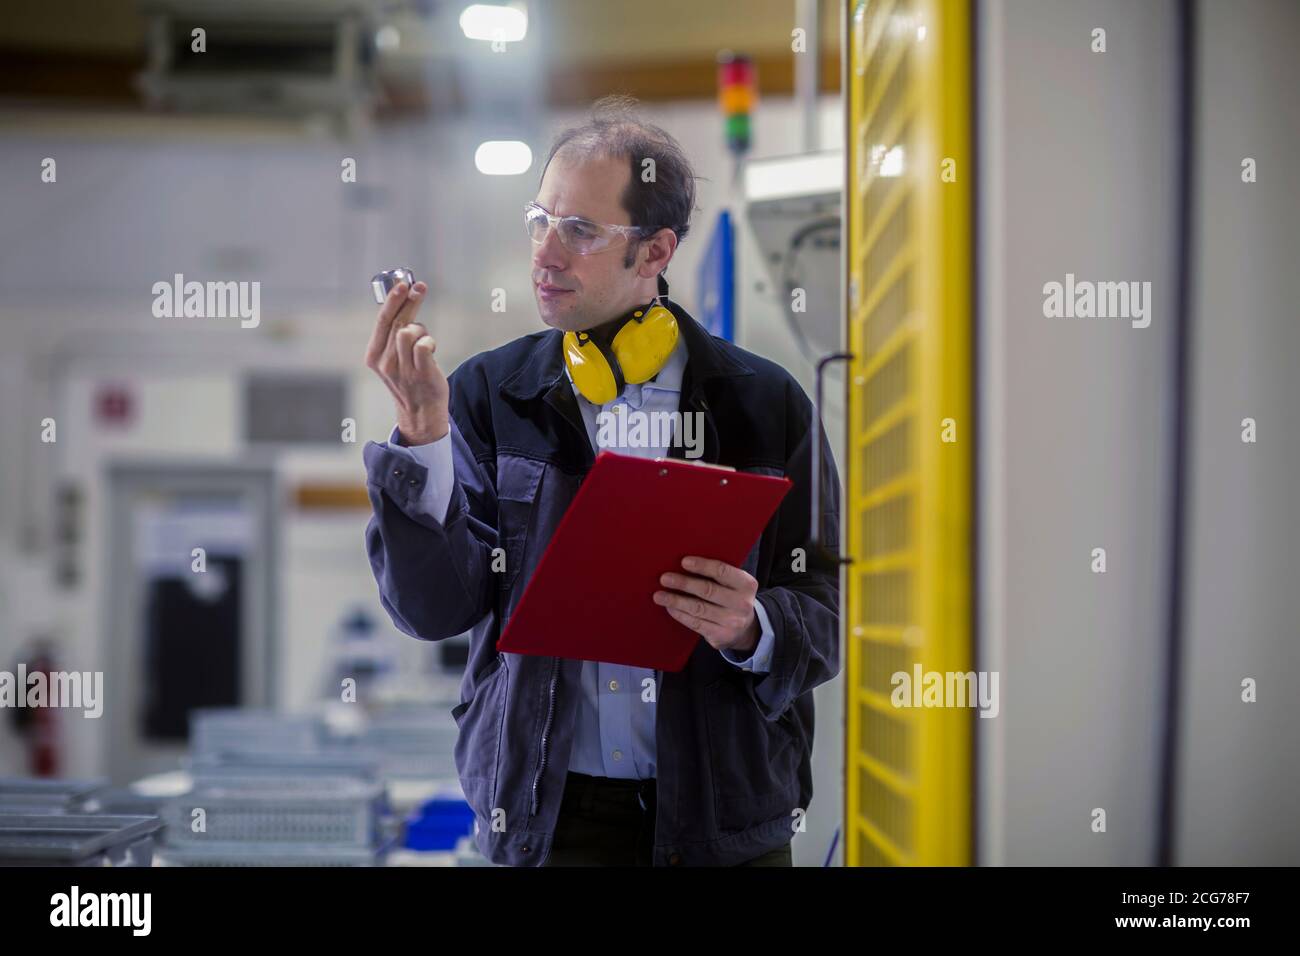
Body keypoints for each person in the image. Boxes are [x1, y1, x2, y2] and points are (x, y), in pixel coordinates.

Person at [362, 96, 840, 866]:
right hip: (548, 822)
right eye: (539, 220)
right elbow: (432, 609)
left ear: (655, 253)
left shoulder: (763, 402)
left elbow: (827, 610)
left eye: (580, 230)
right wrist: (422, 436)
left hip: (722, 827)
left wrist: (755, 628)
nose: (545, 253)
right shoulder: (490, 394)